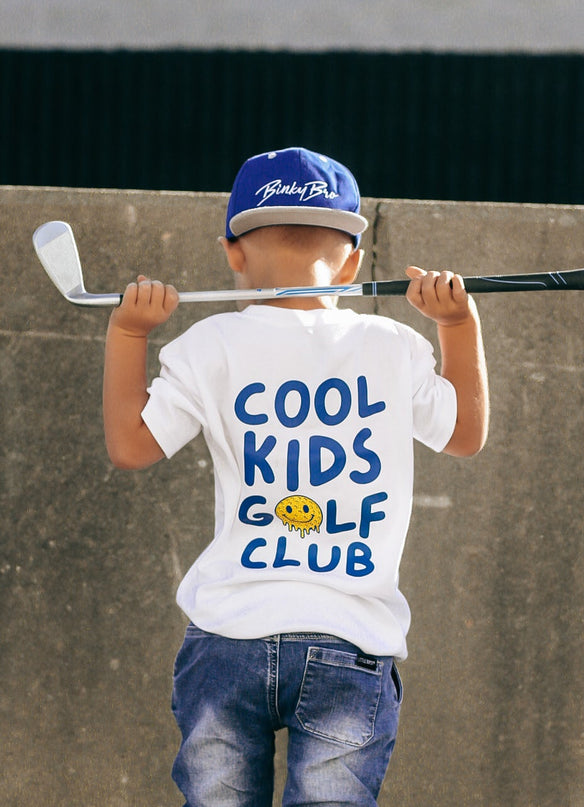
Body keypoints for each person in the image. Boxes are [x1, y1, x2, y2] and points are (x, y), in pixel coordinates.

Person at [103, 146, 489, 807]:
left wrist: (127, 331)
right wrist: (457, 323)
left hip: (227, 635)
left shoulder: (209, 342)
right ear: (350, 259)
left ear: (232, 251)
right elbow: (463, 435)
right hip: (350, 639)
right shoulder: (392, 346)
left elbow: (131, 446)